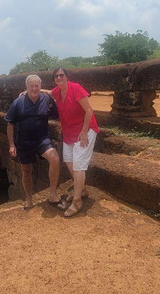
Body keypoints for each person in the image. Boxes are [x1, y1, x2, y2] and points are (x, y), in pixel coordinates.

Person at [5, 74, 67, 211]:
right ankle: (29, 199)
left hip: (42, 139)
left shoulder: (47, 99)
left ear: (40, 86)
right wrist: (11, 144)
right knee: (26, 170)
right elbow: (10, 124)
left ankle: (52, 195)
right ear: (26, 87)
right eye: (31, 86)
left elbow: (59, 115)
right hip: (24, 141)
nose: (34, 88)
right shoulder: (18, 103)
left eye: (37, 86)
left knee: (55, 158)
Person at [50, 67, 99, 217]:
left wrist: (84, 132)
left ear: (67, 77)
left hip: (85, 131)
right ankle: (82, 190)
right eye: (56, 76)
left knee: (79, 166)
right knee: (69, 161)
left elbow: (89, 110)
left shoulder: (76, 88)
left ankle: (77, 200)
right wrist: (29, 91)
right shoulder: (57, 91)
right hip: (69, 133)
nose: (59, 78)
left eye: (61, 75)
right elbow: (47, 92)